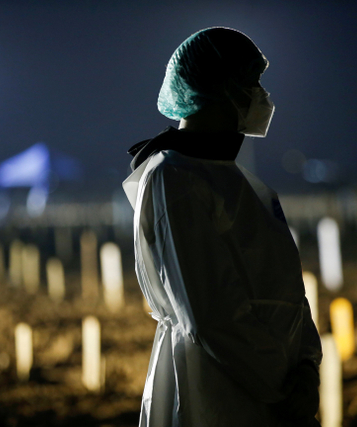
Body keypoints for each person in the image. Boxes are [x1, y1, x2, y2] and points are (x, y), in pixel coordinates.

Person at [123, 27, 322, 427]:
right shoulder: (172, 178)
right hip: (217, 392)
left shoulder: (244, 184)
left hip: (278, 392)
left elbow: (287, 290)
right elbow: (209, 314)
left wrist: (307, 366)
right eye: (251, 83)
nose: (261, 96)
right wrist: (280, 388)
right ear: (217, 89)